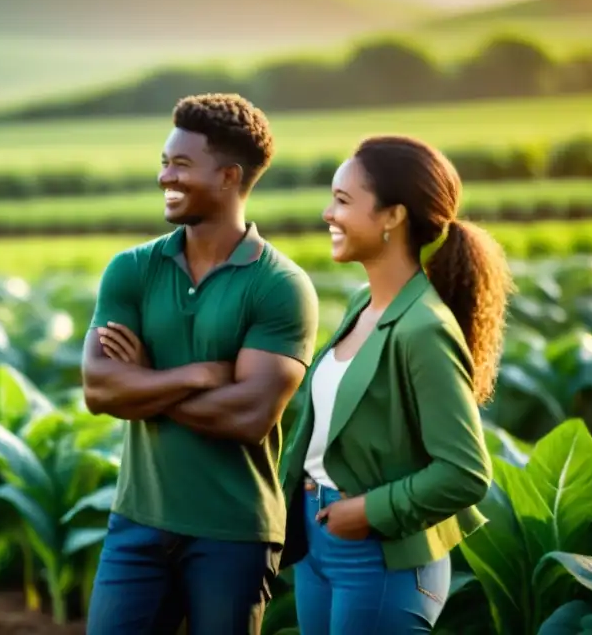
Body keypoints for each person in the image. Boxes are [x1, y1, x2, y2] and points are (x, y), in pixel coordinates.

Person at [80, 92, 320, 635]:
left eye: (181, 165)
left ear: (230, 177)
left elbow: (247, 416)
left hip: (234, 532)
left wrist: (142, 384)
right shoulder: (132, 270)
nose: (166, 177)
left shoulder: (280, 287)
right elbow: (99, 391)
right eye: (165, 162)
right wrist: (194, 374)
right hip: (137, 522)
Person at [278, 135, 511, 634]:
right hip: (318, 543)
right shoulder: (365, 301)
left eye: (342, 201)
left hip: (381, 557)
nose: (327, 214)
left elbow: (466, 472)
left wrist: (367, 511)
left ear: (392, 216)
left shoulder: (424, 329)